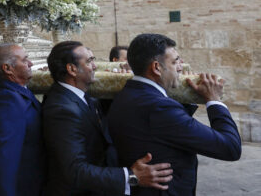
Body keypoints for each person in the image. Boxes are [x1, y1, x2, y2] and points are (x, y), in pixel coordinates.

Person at [107, 33, 241, 195]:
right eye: (175, 61)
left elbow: (164, 130)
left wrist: (188, 95)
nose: (181, 67)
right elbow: (230, 147)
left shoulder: (127, 93)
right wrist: (214, 100)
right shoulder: (160, 108)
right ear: (156, 67)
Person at [43, 41, 173, 195]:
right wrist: (132, 177)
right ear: (72, 69)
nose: (95, 66)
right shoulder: (62, 109)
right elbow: (75, 171)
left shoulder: (79, 96)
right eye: (89, 61)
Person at [0, 43, 46, 196]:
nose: (31, 63)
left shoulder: (18, 91)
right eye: (25, 60)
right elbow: (5, 156)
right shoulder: (8, 99)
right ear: (8, 68)